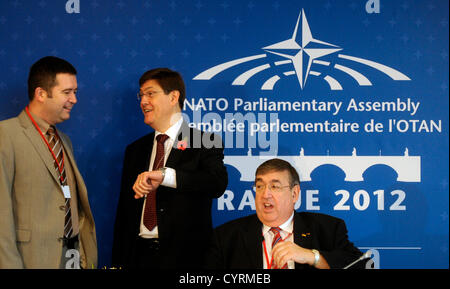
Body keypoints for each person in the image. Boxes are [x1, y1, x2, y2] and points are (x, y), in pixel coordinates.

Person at [112, 68, 228, 269]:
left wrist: (167, 176)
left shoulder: (204, 141)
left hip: (185, 259)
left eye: (150, 93)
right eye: (141, 95)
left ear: (174, 96)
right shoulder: (135, 150)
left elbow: (216, 183)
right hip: (137, 257)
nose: (143, 102)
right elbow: (124, 213)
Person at [0, 56, 97, 269]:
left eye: (75, 92)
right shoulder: (5, 135)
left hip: (71, 258)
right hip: (32, 259)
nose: (74, 99)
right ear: (41, 93)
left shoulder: (64, 141)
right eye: (67, 92)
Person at [205, 158, 365, 269]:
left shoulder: (327, 229)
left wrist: (312, 257)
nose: (265, 194)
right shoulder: (226, 236)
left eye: (275, 187)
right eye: (259, 186)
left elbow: (362, 265)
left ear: (294, 194)